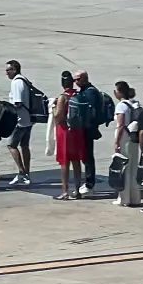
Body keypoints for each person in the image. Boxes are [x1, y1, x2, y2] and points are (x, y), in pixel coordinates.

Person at [54, 70, 86, 201]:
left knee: (64, 162)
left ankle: (65, 191)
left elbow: (58, 116)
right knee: (76, 161)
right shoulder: (78, 95)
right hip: (77, 130)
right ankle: (77, 190)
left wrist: (53, 108)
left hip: (65, 131)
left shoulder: (63, 97)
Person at [112, 81, 142, 209]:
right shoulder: (135, 104)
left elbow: (120, 125)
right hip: (134, 137)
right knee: (133, 168)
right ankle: (135, 197)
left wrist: (117, 142)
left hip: (124, 137)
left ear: (119, 92)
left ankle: (124, 198)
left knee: (124, 168)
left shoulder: (121, 106)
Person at [3, 60, 33, 186]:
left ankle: (22, 172)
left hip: (20, 121)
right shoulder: (24, 80)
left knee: (11, 145)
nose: (6, 73)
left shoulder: (16, 83)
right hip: (28, 120)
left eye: (8, 70)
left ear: (14, 70)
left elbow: (18, 103)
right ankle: (27, 173)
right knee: (24, 145)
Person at [73, 70, 102, 196]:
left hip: (88, 128)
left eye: (78, 79)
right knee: (85, 155)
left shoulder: (90, 92)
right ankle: (88, 182)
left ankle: (90, 184)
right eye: (75, 80)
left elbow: (89, 110)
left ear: (85, 78)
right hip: (84, 127)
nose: (76, 82)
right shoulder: (85, 90)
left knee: (88, 156)